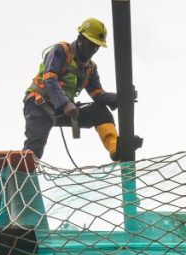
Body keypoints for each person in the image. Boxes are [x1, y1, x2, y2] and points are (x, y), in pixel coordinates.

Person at [23, 18, 136, 161]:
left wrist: (119, 97)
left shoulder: (90, 68)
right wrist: (65, 104)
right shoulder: (61, 50)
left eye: (97, 46)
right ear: (81, 39)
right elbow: (49, 78)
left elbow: (98, 94)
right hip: (39, 105)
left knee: (100, 112)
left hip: (63, 109)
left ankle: (115, 148)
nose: (94, 49)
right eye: (92, 45)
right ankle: (17, 174)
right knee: (35, 149)